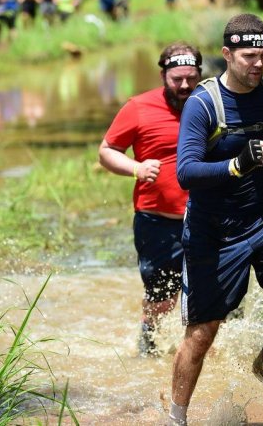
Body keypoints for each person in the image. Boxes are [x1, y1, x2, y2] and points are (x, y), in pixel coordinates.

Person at [168, 13, 263, 424]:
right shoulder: (203, 104)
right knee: (202, 334)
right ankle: (175, 418)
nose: (257, 64)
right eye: (249, 56)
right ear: (226, 55)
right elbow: (186, 172)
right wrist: (235, 165)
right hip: (213, 227)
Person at [98, 43, 203, 355]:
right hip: (157, 222)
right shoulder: (138, 107)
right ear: (163, 76)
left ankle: (203, 351)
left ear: (199, 75)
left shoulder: (213, 104)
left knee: (212, 291)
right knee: (163, 298)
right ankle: (150, 346)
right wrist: (136, 168)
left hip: (206, 218)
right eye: (177, 79)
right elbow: (106, 151)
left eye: (191, 78)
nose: (185, 85)